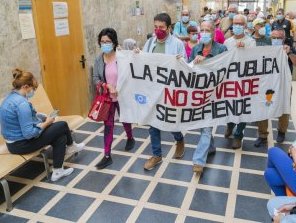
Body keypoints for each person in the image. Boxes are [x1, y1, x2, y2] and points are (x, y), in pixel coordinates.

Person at [0, 69, 85, 182]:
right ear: (25, 87)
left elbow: (22, 120)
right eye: (33, 89)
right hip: (21, 144)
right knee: (62, 125)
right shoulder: (22, 104)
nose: (33, 91)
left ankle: (58, 171)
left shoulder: (10, 98)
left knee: (60, 136)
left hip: (12, 144)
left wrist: (39, 117)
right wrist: (47, 122)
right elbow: (29, 133)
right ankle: (70, 146)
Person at [136, 13, 187, 170]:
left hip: (170, 90)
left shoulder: (177, 44)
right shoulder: (150, 42)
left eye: (162, 28)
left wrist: (180, 60)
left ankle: (179, 139)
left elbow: (185, 66)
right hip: (153, 90)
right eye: (156, 27)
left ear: (169, 28)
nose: (158, 30)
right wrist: (138, 55)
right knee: (153, 124)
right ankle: (156, 155)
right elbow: (144, 62)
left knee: (170, 120)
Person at [93, 28, 135, 169]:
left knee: (125, 119)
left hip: (122, 97)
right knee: (108, 126)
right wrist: (106, 86)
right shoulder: (99, 59)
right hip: (107, 98)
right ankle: (106, 156)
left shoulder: (121, 56)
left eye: (108, 41)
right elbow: (95, 78)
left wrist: (136, 54)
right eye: (102, 41)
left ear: (114, 42)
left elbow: (132, 71)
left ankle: (130, 137)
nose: (105, 44)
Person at [254, 29, 296, 147]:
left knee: (284, 107)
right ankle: (262, 135)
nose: (276, 40)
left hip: (284, 85)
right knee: (264, 106)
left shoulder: (288, 49)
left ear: (283, 39)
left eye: (278, 38)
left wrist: (289, 53)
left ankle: (282, 131)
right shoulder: (265, 49)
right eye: (273, 38)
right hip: (267, 85)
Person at [189, 20, 227, 173]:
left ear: (213, 33)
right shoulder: (196, 48)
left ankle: (199, 161)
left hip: (214, 94)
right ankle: (210, 147)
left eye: (208, 30)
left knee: (206, 127)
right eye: (202, 30)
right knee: (202, 124)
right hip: (199, 93)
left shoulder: (221, 48)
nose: (204, 33)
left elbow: (225, 69)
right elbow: (189, 69)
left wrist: (207, 62)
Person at [223, 14, 256, 146]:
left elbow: (254, 61)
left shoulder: (251, 42)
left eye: (240, 24)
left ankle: (238, 134)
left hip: (244, 81)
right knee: (229, 105)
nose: (237, 26)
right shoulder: (227, 42)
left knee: (243, 108)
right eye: (235, 23)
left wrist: (244, 51)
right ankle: (230, 126)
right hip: (230, 80)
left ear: (245, 26)